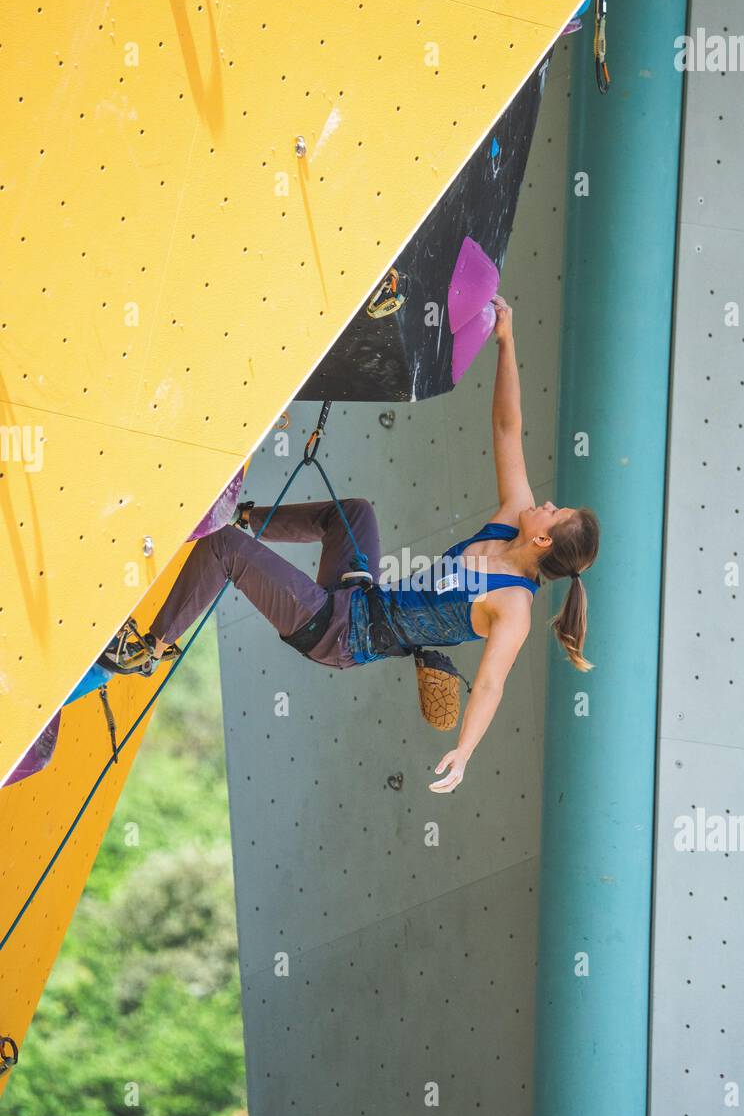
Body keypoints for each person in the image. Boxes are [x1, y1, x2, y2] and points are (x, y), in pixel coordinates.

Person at [114, 296, 599, 793]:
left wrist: (465, 752)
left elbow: (493, 684)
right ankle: (238, 513)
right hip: (359, 597)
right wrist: (505, 340)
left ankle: (147, 649)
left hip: (339, 635)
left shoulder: (513, 606)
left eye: (555, 512)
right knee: (355, 513)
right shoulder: (508, 520)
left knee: (221, 551)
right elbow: (506, 427)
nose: (546, 502)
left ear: (543, 539)